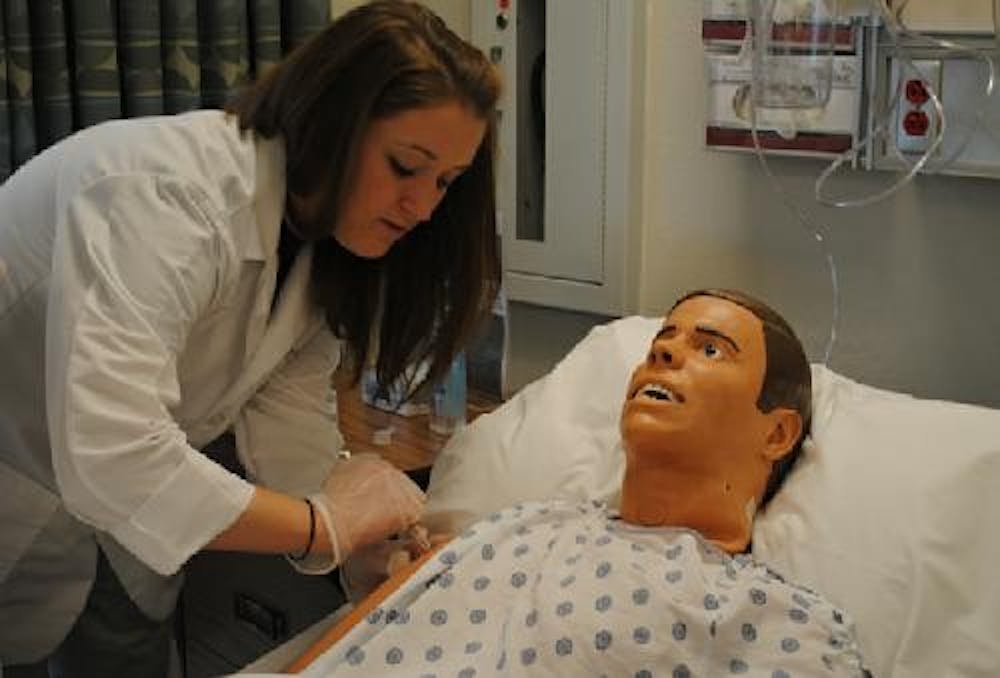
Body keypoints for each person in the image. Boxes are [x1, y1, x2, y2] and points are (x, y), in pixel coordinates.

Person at [0, 1, 501, 675]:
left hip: (115, 517)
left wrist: (355, 539)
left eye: (446, 181)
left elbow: (285, 409)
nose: (425, 207)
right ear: (331, 122)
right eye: (406, 166)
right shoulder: (166, 195)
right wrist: (324, 523)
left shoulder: (321, 247)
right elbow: (111, 450)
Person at [283, 289, 870, 676]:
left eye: (710, 348)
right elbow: (328, 659)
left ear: (777, 433)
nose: (664, 353)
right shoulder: (519, 525)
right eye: (662, 342)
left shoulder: (781, 619)